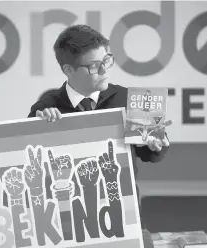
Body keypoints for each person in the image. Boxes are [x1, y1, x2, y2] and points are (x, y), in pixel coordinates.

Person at [27, 24, 170, 247]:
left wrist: (157, 145)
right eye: (94, 66)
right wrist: (39, 127)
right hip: (68, 222)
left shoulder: (127, 97)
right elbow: (30, 164)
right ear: (68, 70)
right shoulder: (46, 107)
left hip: (123, 216)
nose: (105, 71)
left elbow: (152, 155)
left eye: (107, 61)